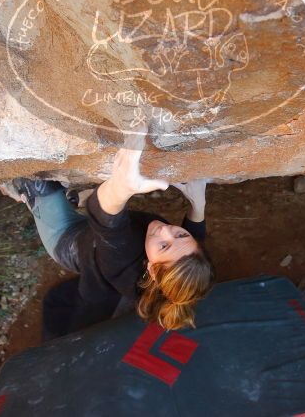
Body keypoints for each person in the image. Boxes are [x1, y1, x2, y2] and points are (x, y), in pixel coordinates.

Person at [11, 141, 214, 340]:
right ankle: (69, 200)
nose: (166, 230)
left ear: (151, 269)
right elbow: (193, 243)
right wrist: (199, 204)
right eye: (181, 235)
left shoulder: (123, 259)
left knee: (38, 182)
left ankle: (33, 194)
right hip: (93, 243)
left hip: (67, 240)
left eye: (164, 245)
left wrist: (120, 188)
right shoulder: (177, 258)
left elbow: (106, 219)